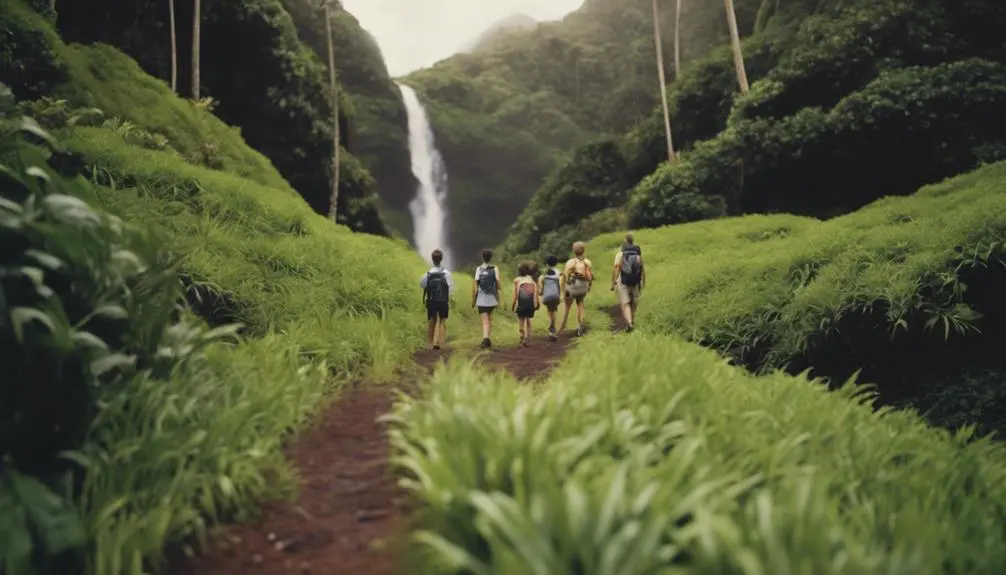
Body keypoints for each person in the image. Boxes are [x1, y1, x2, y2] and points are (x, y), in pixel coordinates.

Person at [419, 248, 453, 350]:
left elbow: (422, 285)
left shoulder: (428, 273)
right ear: (441, 259)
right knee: (442, 320)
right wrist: (449, 297)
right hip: (443, 300)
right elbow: (450, 287)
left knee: (432, 320)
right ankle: (440, 343)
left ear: (432, 259)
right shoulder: (446, 273)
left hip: (431, 299)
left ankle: (429, 343)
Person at [611, 232, 645, 332]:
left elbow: (617, 268)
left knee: (625, 303)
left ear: (625, 241)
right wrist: (643, 280)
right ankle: (633, 320)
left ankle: (629, 323)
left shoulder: (620, 253)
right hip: (636, 280)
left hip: (623, 280)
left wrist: (614, 282)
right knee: (634, 302)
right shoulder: (637, 253)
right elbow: (642, 267)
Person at [559, 241, 593, 337]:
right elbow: (590, 276)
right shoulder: (587, 262)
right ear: (583, 250)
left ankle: (562, 325)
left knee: (567, 307)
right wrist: (589, 287)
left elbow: (565, 276)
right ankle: (580, 324)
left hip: (573, 286)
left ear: (574, 251)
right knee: (580, 303)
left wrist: (563, 291)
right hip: (583, 286)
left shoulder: (570, 262)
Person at [472, 248, 502, 349]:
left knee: (484, 320)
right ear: (491, 257)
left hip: (481, 297)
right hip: (492, 297)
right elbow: (498, 284)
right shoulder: (495, 268)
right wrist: (498, 296)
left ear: (482, 257)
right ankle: (488, 338)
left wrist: (474, 299)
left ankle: (485, 339)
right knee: (489, 319)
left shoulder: (479, 269)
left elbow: (475, 286)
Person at [512, 260, 540, 347]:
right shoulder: (532, 281)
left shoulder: (517, 281)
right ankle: (527, 337)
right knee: (528, 319)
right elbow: (535, 294)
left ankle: (522, 336)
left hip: (521, 305)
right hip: (530, 305)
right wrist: (536, 304)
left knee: (521, 320)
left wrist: (513, 306)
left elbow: (515, 296)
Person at [537, 255, 565, 341]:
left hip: (547, 296)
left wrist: (541, 291)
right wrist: (562, 294)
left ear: (546, 264)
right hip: (556, 295)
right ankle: (552, 328)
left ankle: (551, 329)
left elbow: (540, 289)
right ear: (556, 263)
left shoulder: (543, 275)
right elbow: (562, 283)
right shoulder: (559, 273)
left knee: (550, 311)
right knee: (554, 310)